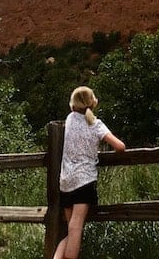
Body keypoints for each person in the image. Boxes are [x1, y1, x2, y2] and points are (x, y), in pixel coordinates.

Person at [53, 86, 125, 259]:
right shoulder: (96, 125)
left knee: (70, 228)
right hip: (84, 179)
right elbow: (120, 147)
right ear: (93, 103)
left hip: (66, 180)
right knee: (75, 227)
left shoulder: (70, 119)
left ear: (73, 105)